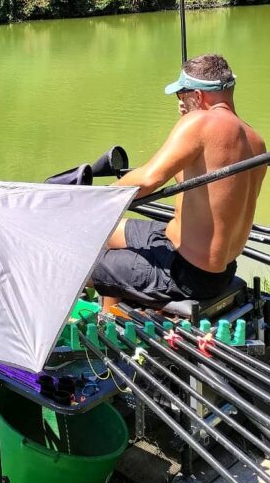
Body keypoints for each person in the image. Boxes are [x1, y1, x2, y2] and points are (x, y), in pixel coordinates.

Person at [93, 53, 266, 308]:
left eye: (181, 95)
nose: (180, 102)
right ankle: (110, 316)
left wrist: (93, 200)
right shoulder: (256, 141)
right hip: (216, 267)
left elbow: (148, 179)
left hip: (186, 274)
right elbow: (198, 186)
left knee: (78, 258)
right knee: (104, 230)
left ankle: (108, 330)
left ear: (197, 96)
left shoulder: (199, 122)